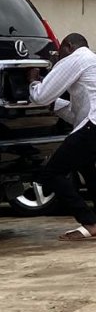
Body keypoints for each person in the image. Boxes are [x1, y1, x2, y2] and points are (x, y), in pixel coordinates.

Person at [29, 33, 96, 240]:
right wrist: (56, 105)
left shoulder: (75, 59)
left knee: (51, 173)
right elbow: (77, 113)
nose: (57, 58)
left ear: (67, 46)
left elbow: (41, 96)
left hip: (92, 126)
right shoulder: (92, 60)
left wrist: (33, 81)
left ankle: (89, 222)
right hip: (91, 123)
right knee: (87, 169)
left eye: (59, 53)